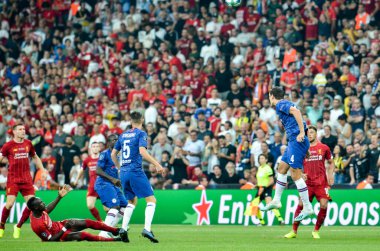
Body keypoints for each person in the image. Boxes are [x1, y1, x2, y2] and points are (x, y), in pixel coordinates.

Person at [260, 87, 313, 222]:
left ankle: (307, 207)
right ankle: (277, 200)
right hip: (295, 142)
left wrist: (301, 133)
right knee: (281, 168)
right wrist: (305, 146)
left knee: (295, 175)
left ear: (272, 96)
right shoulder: (285, 104)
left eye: (269, 96)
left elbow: (297, 111)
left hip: (296, 140)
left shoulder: (280, 104)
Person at [111, 111, 163, 243]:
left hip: (124, 172)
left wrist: (119, 167)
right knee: (151, 200)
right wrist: (157, 164)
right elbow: (142, 151)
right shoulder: (141, 133)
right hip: (135, 171)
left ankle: (123, 228)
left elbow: (113, 154)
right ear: (142, 119)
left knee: (131, 202)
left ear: (130, 120)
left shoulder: (123, 135)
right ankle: (147, 228)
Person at [28, 185, 128, 242]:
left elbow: (47, 209)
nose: (43, 203)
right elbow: (51, 240)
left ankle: (115, 230)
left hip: (60, 225)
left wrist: (59, 197)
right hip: (59, 235)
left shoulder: (38, 211)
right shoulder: (38, 226)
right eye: (41, 203)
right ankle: (116, 240)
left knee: (89, 222)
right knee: (84, 235)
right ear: (36, 207)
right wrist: (64, 228)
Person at [284, 125, 334, 239]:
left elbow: (331, 162)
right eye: (308, 133)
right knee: (301, 205)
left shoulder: (324, 147)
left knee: (324, 204)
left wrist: (331, 175)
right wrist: (301, 174)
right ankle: (294, 231)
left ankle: (316, 231)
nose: (309, 134)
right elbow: (295, 164)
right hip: (307, 184)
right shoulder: (302, 149)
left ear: (316, 134)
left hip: (321, 183)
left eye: (312, 132)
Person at [0, 124, 46, 239]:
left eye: (24, 129)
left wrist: (43, 170)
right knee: (9, 204)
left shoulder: (28, 143)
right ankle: (1, 226)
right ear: (14, 132)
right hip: (13, 179)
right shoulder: (8, 145)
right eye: (20, 129)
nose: (23, 131)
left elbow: (35, 157)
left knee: (32, 205)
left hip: (26, 179)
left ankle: (18, 226)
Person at [95, 134, 128, 239]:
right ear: (109, 142)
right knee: (115, 206)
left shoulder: (117, 155)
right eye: (114, 139)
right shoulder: (104, 154)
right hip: (104, 183)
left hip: (114, 185)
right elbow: (98, 170)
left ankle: (109, 230)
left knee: (125, 206)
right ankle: (103, 233)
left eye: (118, 139)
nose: (117, 141)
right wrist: (112, 179)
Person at [73, 142, 102, 222]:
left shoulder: (103, 158)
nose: (95, 148)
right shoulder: (87, 160)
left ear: (99, 148)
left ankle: (112, 223)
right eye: (94, 146)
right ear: (91, 148)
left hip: (103, 185)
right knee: (90, 205)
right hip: (92, 186)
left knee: (107, 208)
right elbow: (81, 170)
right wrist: (76, 180)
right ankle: (100, 221)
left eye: (97, 146)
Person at [255, 154, 284, 225]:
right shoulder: (259, 168)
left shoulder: (268, 168)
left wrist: (264, 187)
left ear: (266, 160)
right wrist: (257, 186)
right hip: (260, 189)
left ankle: (280, 219)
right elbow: (260, 179)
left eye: (262, 158)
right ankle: (261, 221)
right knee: (255, 205)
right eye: (260, 158)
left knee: (270, 204)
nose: (261, 160)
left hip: (266, 188)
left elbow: (271, 181)